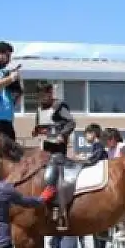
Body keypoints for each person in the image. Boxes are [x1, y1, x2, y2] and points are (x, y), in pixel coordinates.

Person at [32, 82, 77, 229]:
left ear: (50, 93)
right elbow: (41, 126)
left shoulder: (59, 106)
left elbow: (71, 123)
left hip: (57, 149)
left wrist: (62, 134)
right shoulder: (39, 109)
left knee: (54, 174)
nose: (42, 98)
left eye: (45, 94)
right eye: (39, 95)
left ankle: (60, 210)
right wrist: (36, 131)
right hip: (44, 147)